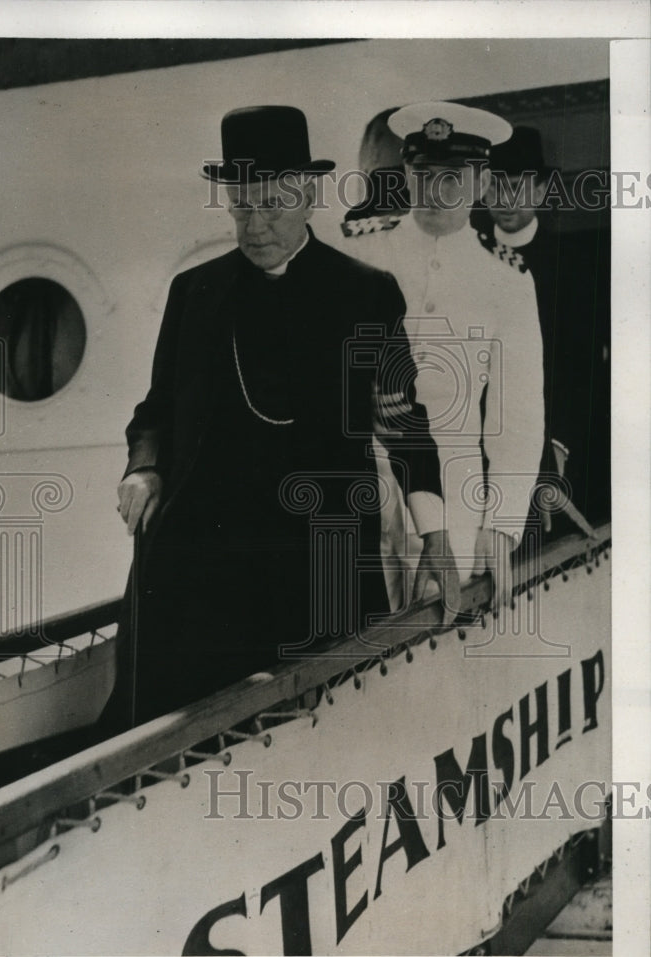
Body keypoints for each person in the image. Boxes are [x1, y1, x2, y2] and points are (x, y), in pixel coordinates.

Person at [106, 105, 459, 730]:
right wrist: (146, 468)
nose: (256, 224)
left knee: (324, 727)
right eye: (242, 206)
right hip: (205, 561)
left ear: (308, 195)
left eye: (272, 204)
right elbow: (154, 412)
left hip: (316, 557)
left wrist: (432, 533)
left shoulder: (365, 294)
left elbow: (403, 423)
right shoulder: (196, 293)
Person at [343, 101, 545, 611]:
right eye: (423, 173)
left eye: (454, 176)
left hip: (458, 505)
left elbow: (516, 417)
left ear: (480, 183)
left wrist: (500, 527)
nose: (436, 191)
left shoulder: (508, 279)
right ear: (406, 175)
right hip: (361, 491)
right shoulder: (361, 255)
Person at [476, 125, 611, 532]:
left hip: (563, 447)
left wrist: (558, 443)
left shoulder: (578, 266)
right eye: (494, 187)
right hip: (485, 449)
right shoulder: (467, 261)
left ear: (540, 189)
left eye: (517, 185)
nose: (505, 199)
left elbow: (587, 369)